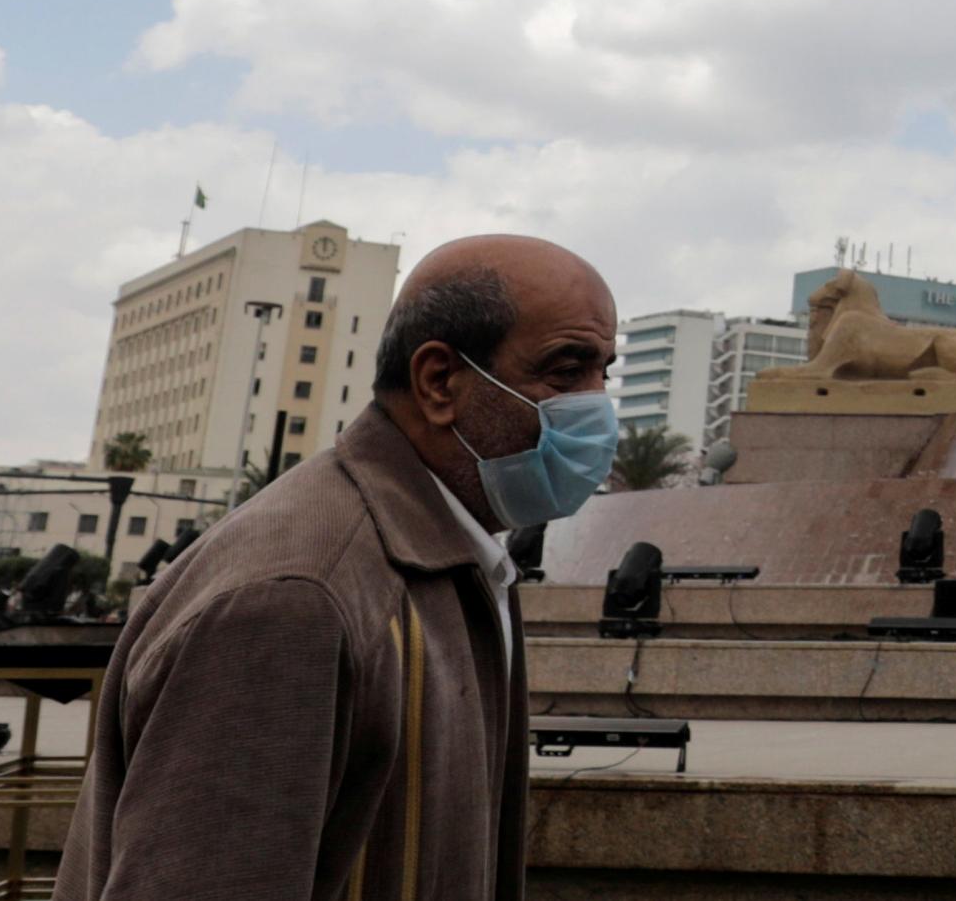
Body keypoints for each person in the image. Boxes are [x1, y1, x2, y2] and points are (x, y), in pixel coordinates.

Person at [57, 235, 619, 901]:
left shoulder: (447, 559)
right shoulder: (296, 598)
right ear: (439, 381)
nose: (597, 405)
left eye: (603, 372)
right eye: (565, 370)